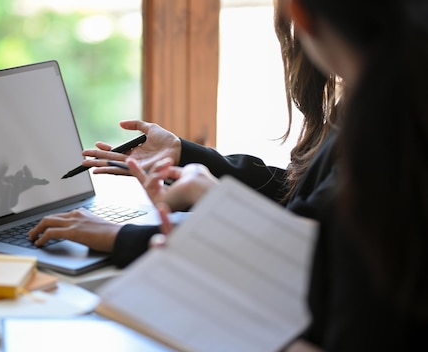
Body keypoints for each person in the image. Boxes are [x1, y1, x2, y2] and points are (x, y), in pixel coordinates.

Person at [120, 0, 428, 350]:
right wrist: (194, 160)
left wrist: (216, 311)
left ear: (301, 15)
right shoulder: (393, 119)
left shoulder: (380, 158)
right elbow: (309, 199)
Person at [28, 4, 336, 268]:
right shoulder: (360, 111)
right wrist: (185, 154)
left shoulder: (371, 134)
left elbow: (303, 257)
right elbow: (300, 198)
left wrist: (120, 237)